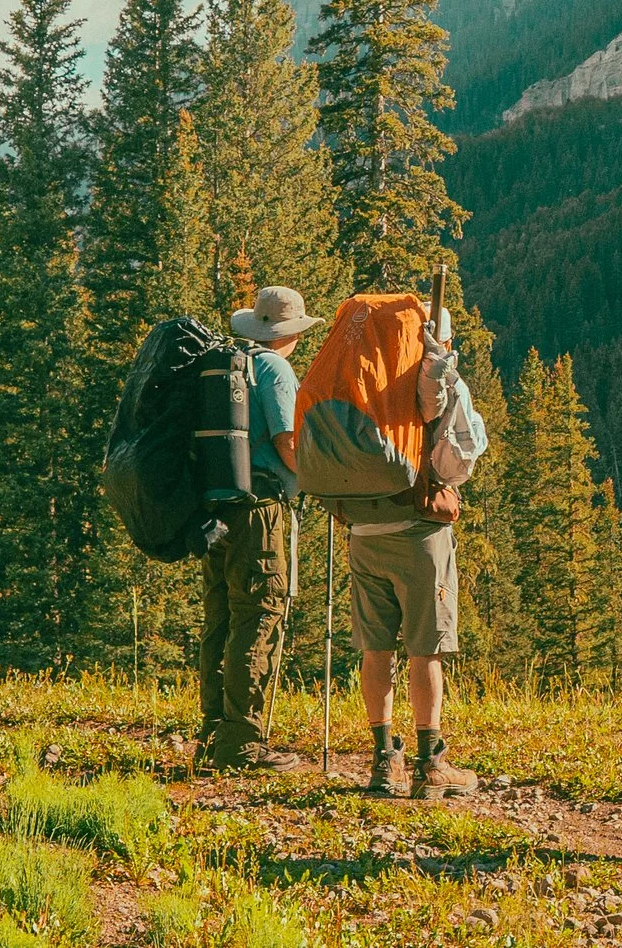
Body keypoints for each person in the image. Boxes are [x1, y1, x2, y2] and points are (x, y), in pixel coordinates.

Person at [343, 304, 487, 799]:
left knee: (375, 648)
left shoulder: (359, 384)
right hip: (418, 534)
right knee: (426, 647)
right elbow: (455, 463)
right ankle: (431, 763)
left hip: (364, 532)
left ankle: (384, 762)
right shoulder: (442, 384)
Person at [199, 284, 313, 772]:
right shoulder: (276, 369)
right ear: (287, 333)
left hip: (217, 506)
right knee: (261, 612)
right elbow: (287, 439)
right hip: (261, 506)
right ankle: (243, 741)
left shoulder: (227, 361)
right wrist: (315, 478)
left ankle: (212, 731)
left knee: (221, 615)